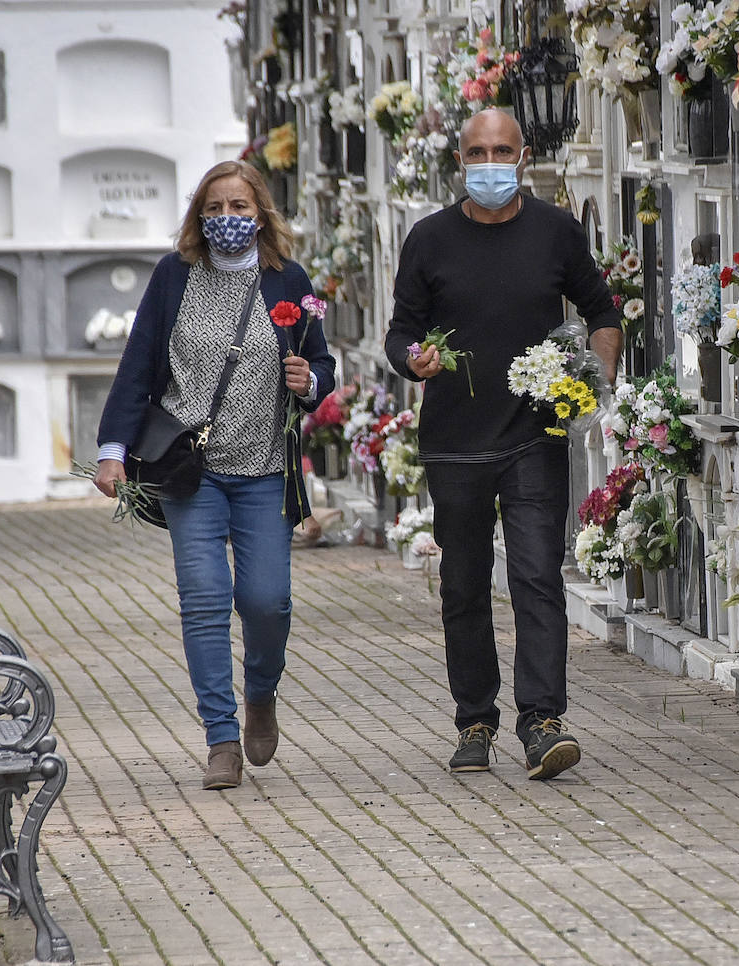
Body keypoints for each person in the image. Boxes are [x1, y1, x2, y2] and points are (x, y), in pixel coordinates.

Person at [385, 109, 623, 780]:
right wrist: (415, 360)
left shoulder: (556, 232)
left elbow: (601, 311)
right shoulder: (429, 239)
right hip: (455, 444)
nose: (489, 163)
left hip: (533, 437)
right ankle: (474, 721)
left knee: (536, 579)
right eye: (476, 153)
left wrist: (594, 380)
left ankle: (542, 722)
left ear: (523, 157)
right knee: (462, 586)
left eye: (502, 152)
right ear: (459, 161)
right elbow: (400, 331)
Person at [95, 160, 336, 790]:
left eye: (240, 206)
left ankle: (261, 692)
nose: (228, 218)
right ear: (200, 215)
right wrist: (112, 448)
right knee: (203, 601)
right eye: (216, 207)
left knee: (267, 601)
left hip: (264, 471)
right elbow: (140, 360)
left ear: (262, 213)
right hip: (191, 474)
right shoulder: (174, 276)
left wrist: (310, 381)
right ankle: (221, 738)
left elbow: (320, 360)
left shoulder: (287, 280)